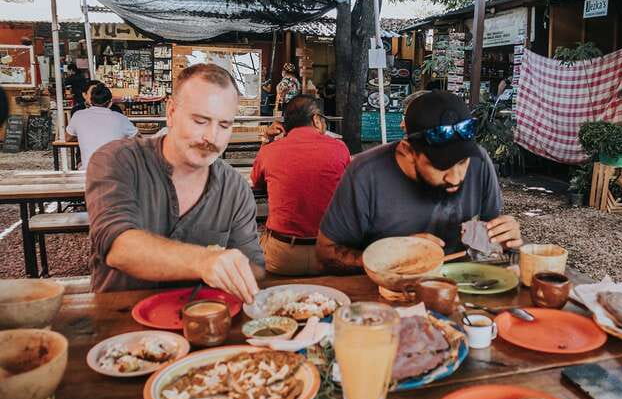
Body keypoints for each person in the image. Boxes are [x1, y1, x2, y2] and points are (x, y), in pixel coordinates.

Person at [85, 64, 265, 303]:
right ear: (171, 112)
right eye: (200, 121)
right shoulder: (118, 160)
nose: (212, 138)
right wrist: (205, 260)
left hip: (206, 323)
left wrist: (240, 269)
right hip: (122, 326)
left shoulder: (235, 187)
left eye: (224, 125)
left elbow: (255, 267)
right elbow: (119, 245)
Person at [316, 90, 522, 274]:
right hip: (387, 290)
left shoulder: (480, 161)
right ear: (407, 151)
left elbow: (488, 240)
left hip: (460, 283)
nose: (456, 177)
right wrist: (388, 256)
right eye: (440, 165)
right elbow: (326, 253)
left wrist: (502, 239)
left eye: (462, 161)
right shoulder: (365, 173)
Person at [251, 95, 350, 275]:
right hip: (327, 256)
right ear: (316, 119)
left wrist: (267, 140)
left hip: (282, 257)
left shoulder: (269, 151)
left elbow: (257, 183)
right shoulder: (339, 148)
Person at [66, 83, 138, 170]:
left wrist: (84, 135)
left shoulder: (78, 115)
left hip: (88, 172)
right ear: (110, 103)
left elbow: (68, 138)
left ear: (91, 101)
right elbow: (138, 138)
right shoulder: (120, 118)